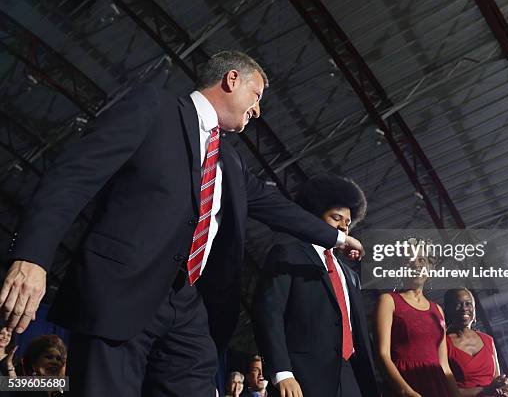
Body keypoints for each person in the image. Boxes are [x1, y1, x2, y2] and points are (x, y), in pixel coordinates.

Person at [0, 50, 364, 397]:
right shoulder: (153, 108)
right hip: (121, 290)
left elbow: (276, 207)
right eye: (256, 95)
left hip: (187, 304)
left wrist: (335, 237)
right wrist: (33, 257)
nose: (258, 109)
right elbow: (71, 178)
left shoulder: (231, 163)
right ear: (231, 79)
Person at [254, 175, 379, 397]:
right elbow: (269, 314)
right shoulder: (288, 254)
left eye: (348, 223)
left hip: (351, 376)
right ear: (313, 217)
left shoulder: (349, 274)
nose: (343, 226)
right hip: (303, 379)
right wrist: (283, 372)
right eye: (336, 217)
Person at [375, 239, 460, 397]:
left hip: (438, 386)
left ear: (430, 266)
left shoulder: (438, 310)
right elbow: (382, 355)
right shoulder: (388, 301)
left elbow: (444, 364)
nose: (416, 264)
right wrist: (407, 392)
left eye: (422, 259)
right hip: (405, 383)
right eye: (409, 259)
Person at [444, 288, 508, 397]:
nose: (464, 309)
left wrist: (505, 388)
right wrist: (486, 389)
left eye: (468, 304)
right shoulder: (443, 344)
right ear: (449, 310)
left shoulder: (488, 340)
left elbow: (496, 380)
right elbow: (446, 391)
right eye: (458, 304)